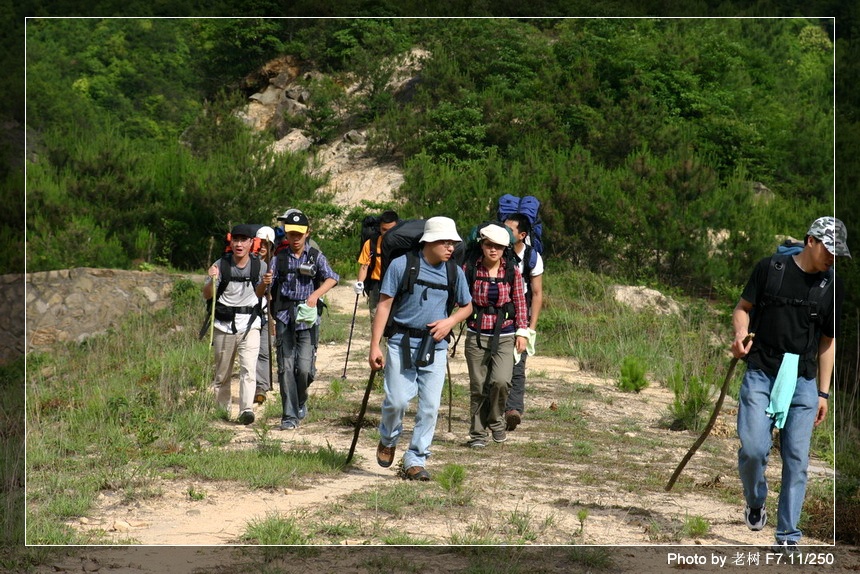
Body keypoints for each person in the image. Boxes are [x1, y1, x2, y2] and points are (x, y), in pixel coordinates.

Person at [731, 216, 848, 552]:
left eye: (837, 253)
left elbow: (827, 340)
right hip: (762, 371)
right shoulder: (771, 269)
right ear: (811, 241)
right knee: (753, 450)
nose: (832, 258)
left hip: (803, 380)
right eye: (828, 249)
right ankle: (756, 501)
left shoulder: (832, 285)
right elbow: (743, 308)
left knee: (797, 459)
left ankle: (787, 537)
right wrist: (741, 335)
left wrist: (823, 392)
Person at [369, 216, 473, 481]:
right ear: (429, 241)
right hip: (401, 342)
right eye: (445, 242)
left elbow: (467, 306)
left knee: (429, 407)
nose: (450, 247)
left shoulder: (454, 272)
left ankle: (416, 459)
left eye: (453, 243)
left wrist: (449, 322)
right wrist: (375, 345)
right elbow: (384, 305)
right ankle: (388, 439)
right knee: (397, 401)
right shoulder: (401, 265)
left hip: (434, 346)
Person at [270, 210, 339, 430]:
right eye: (291, 234)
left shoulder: (315, 256)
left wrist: (315, 295)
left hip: (308, 320)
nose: (296, 238)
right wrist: (264, 283)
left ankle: (301, 398)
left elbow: (332, 277)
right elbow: (265, 289)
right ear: (286, 234)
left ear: (308, 233)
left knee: (305, 369)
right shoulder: (278, 259)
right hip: (284, 316)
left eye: (299, 234)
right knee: (286, 367)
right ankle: (289, 415)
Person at [463, 224, 529, 448]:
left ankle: (496, 420)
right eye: (489, 245)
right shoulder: (470, 268)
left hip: (506, 333)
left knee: (501, 381)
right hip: (476, 333)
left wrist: (522, 332)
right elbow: (460, 296)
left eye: (498, 247)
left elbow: (520, 302)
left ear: (505, 249)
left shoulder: (512, 271)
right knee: (478, 386)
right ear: (481, 245)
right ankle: (478, 434)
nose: (493, 250)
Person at [203, 224, 272, 425]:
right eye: (236, 240)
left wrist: (265, 283)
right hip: (224, 325)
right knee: (222, 374)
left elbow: (259, 294)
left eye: (243, 240)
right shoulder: (220, 265)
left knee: (248, 369)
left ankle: (246, 410)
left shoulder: (260, 266)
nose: (239, 244)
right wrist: (211, 280)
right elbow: (207, 295)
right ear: (230, 242)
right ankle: (222, 413)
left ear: (251, 243)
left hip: (250, 324)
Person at [502, 213, 544, 431]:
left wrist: (530, 328)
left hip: (521, 317)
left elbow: (537, 294)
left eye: (510, 230)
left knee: (518, 365)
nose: (505, 233)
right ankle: (496, 407)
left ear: (522, 235)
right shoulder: (497, 252)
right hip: (498, 315)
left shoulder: (532, 257)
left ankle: (513, 409)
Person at [355, 210, 399, 321]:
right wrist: (360, 282)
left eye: (391, 230)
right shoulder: (371, 243)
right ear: (379, 227)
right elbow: (364, 265)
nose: (387, 233)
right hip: (376, 286)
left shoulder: (402, 245)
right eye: (384, 229)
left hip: (396, 285)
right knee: (375, 317)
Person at [254, 226, 276, 405]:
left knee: (265, 350)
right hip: (250, 313)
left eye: (266, 244)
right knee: (251, 351)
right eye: (260, 243)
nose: (262, 247)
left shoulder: (275, 264)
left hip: (268, 313)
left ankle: (261, 386)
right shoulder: (248, 263)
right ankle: (256, 385)